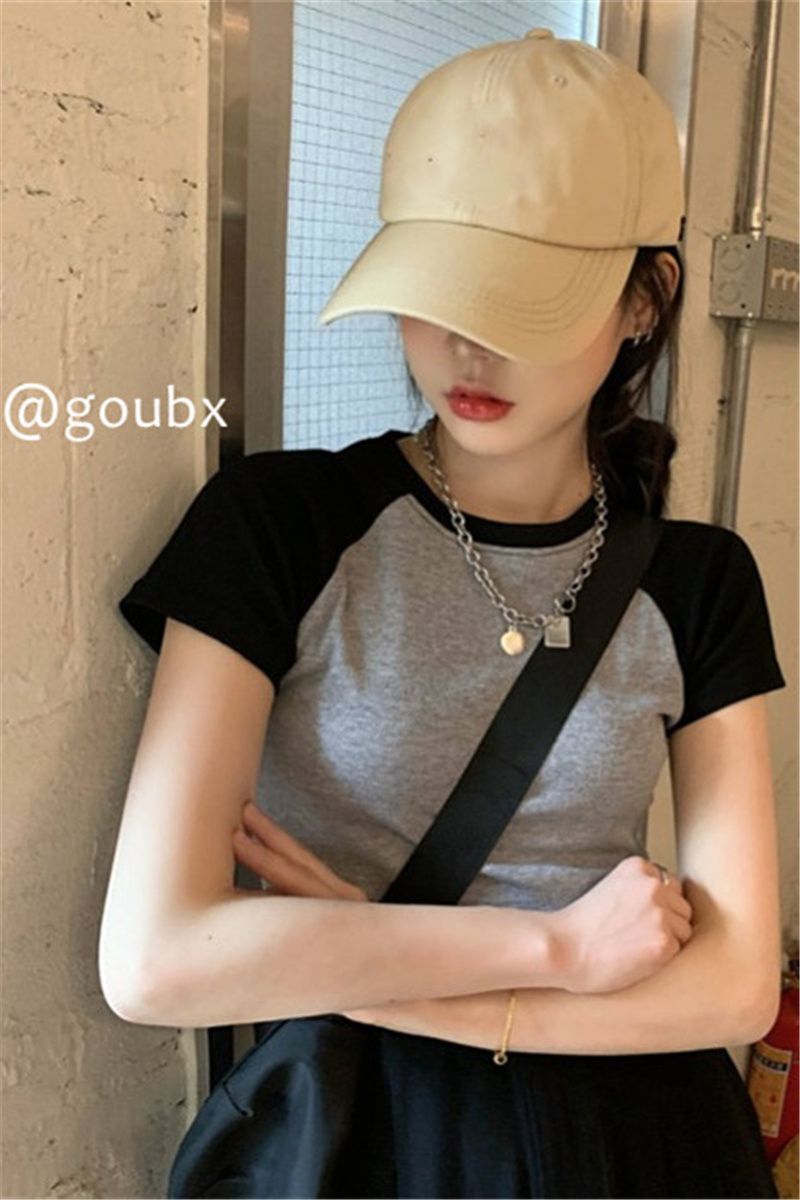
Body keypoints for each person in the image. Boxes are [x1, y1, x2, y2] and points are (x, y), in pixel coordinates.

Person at [100, 29, 787, 1199]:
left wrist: (355, 964)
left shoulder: (696, 580)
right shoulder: (280, 525)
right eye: (437, 289)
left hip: (638, 1143)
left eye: (522, 299)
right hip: (353, 1136)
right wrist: (557, 948)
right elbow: (154, 959)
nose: (466, 342)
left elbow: (731, 991)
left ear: (642, 300)